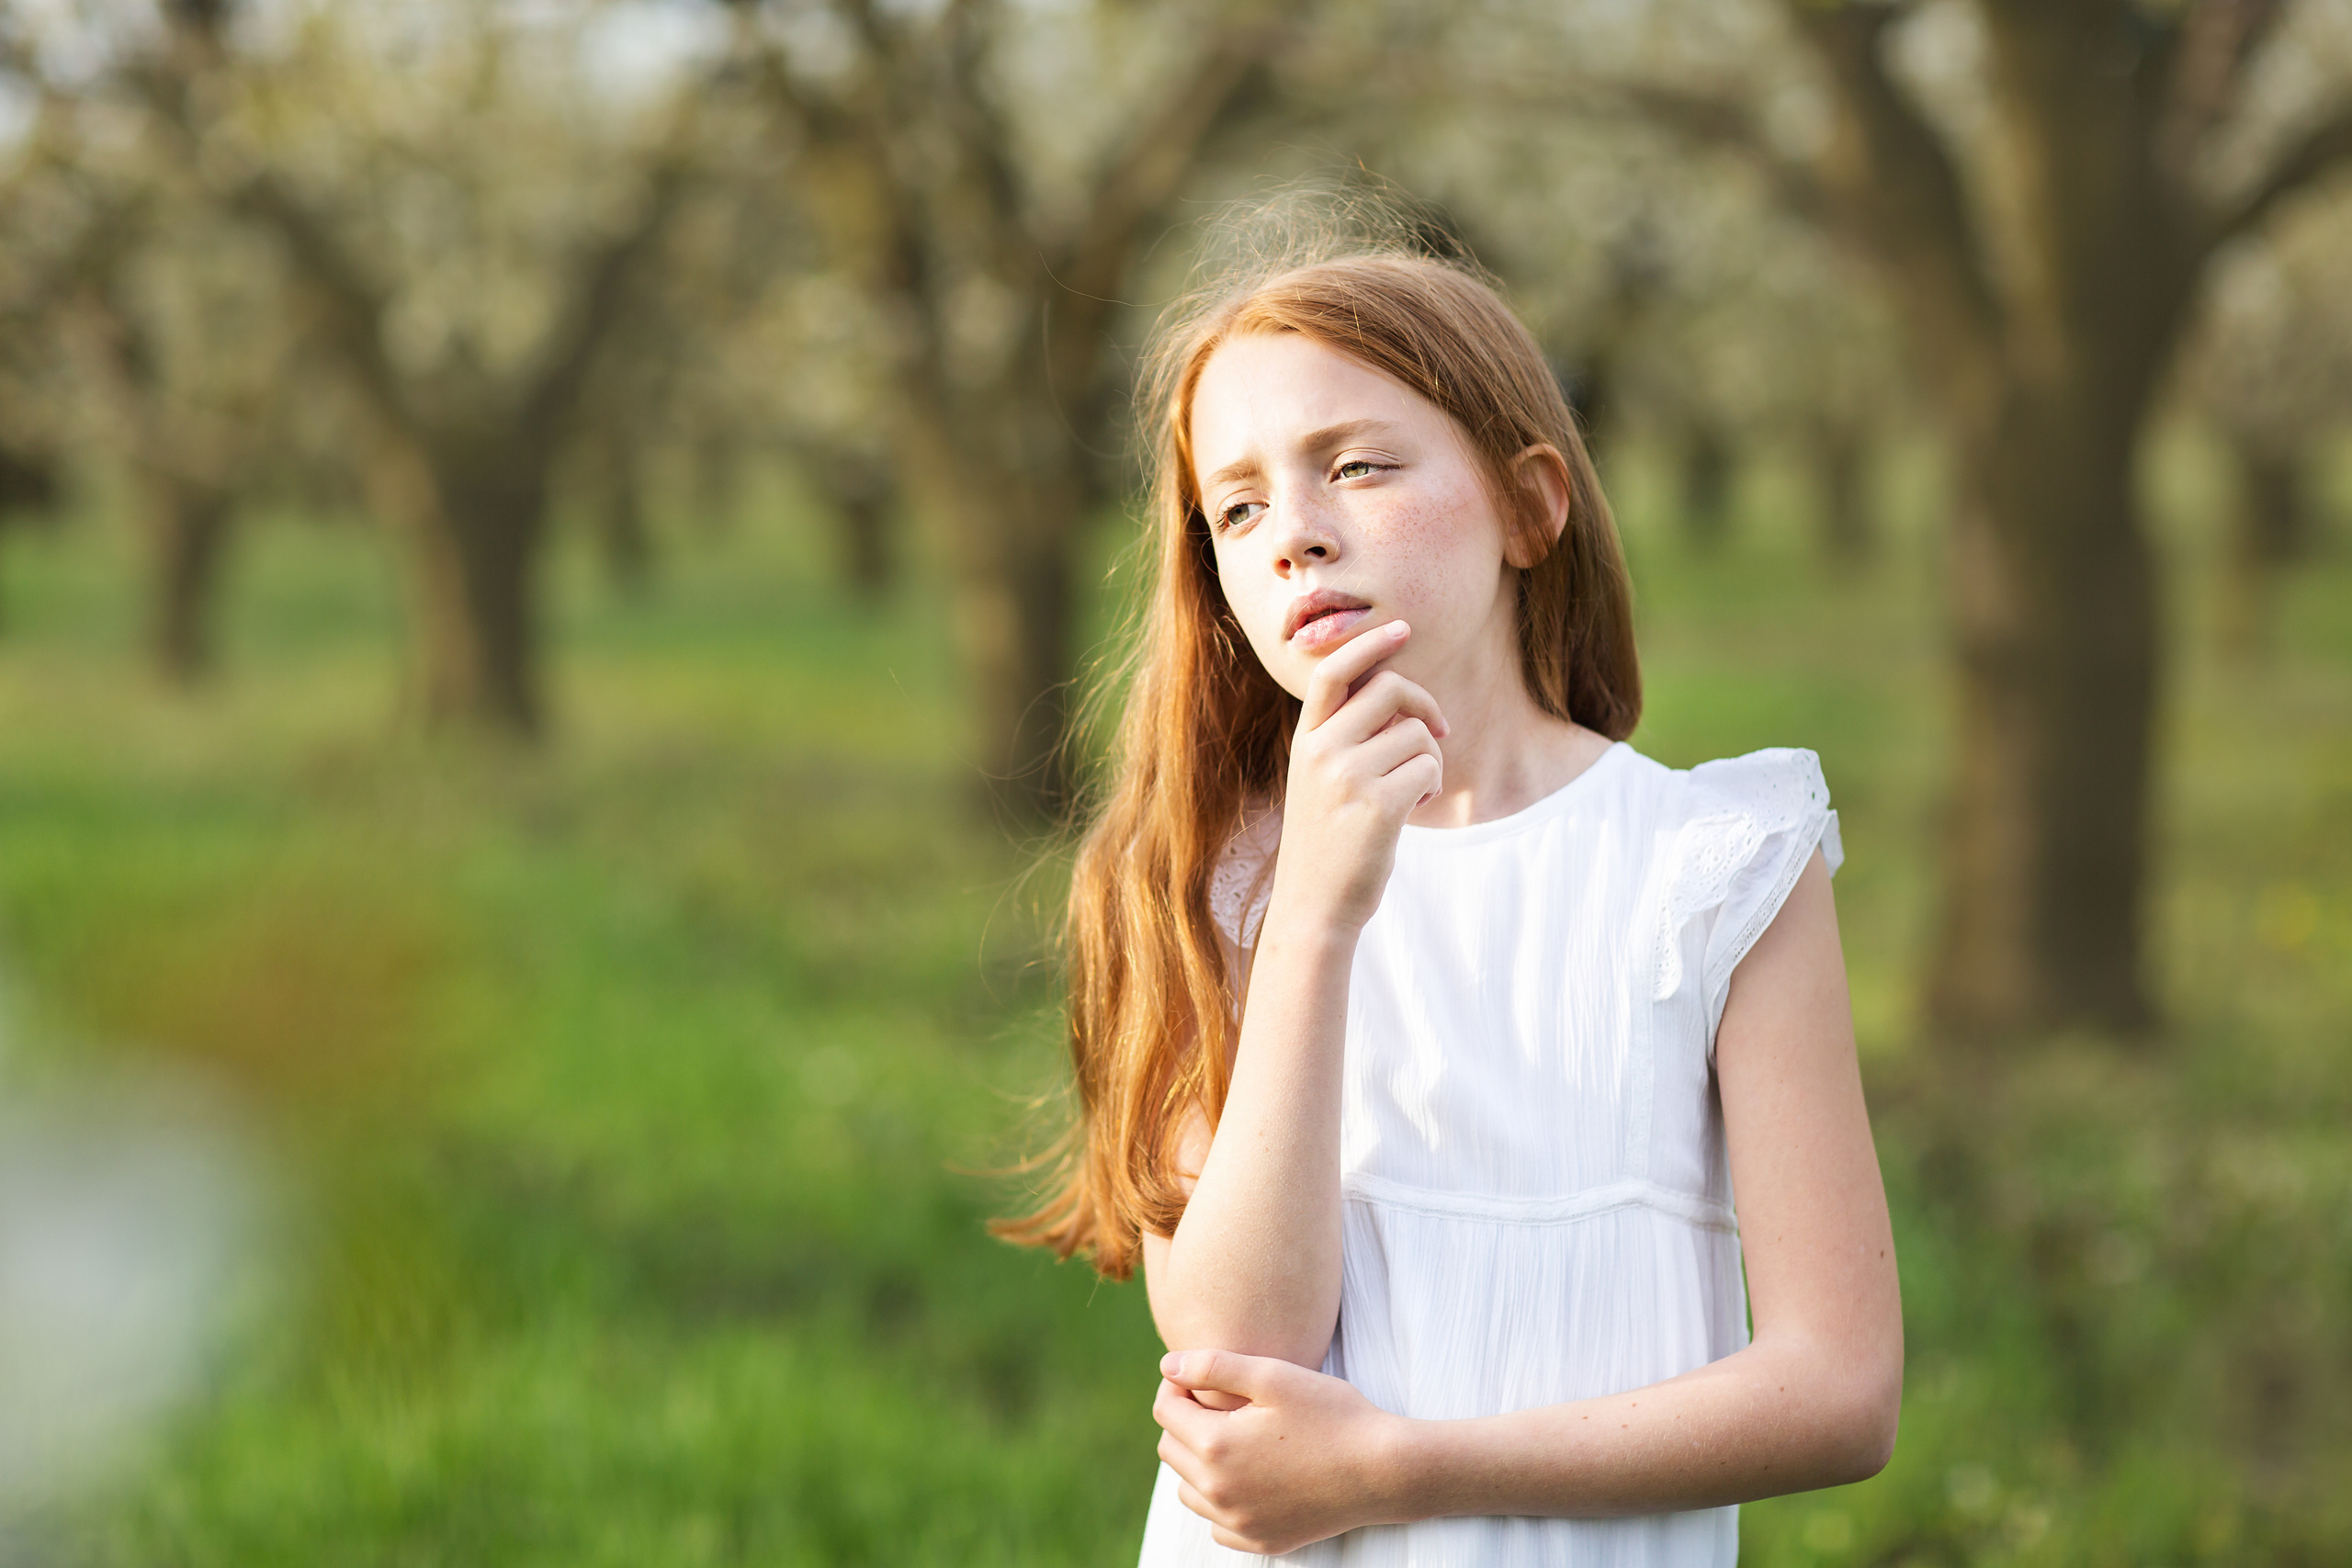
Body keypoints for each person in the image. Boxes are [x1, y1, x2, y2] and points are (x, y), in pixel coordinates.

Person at [996, 245, 1903, 1564]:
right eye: (1235, 507)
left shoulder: (1716, 869)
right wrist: (1313, 915)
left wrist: (1394, 1469)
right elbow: (1234, 1347)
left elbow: (1838, 1392)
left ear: (1529, 507)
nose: (1295, 529)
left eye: (1356, 465)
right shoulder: (1209, 877)